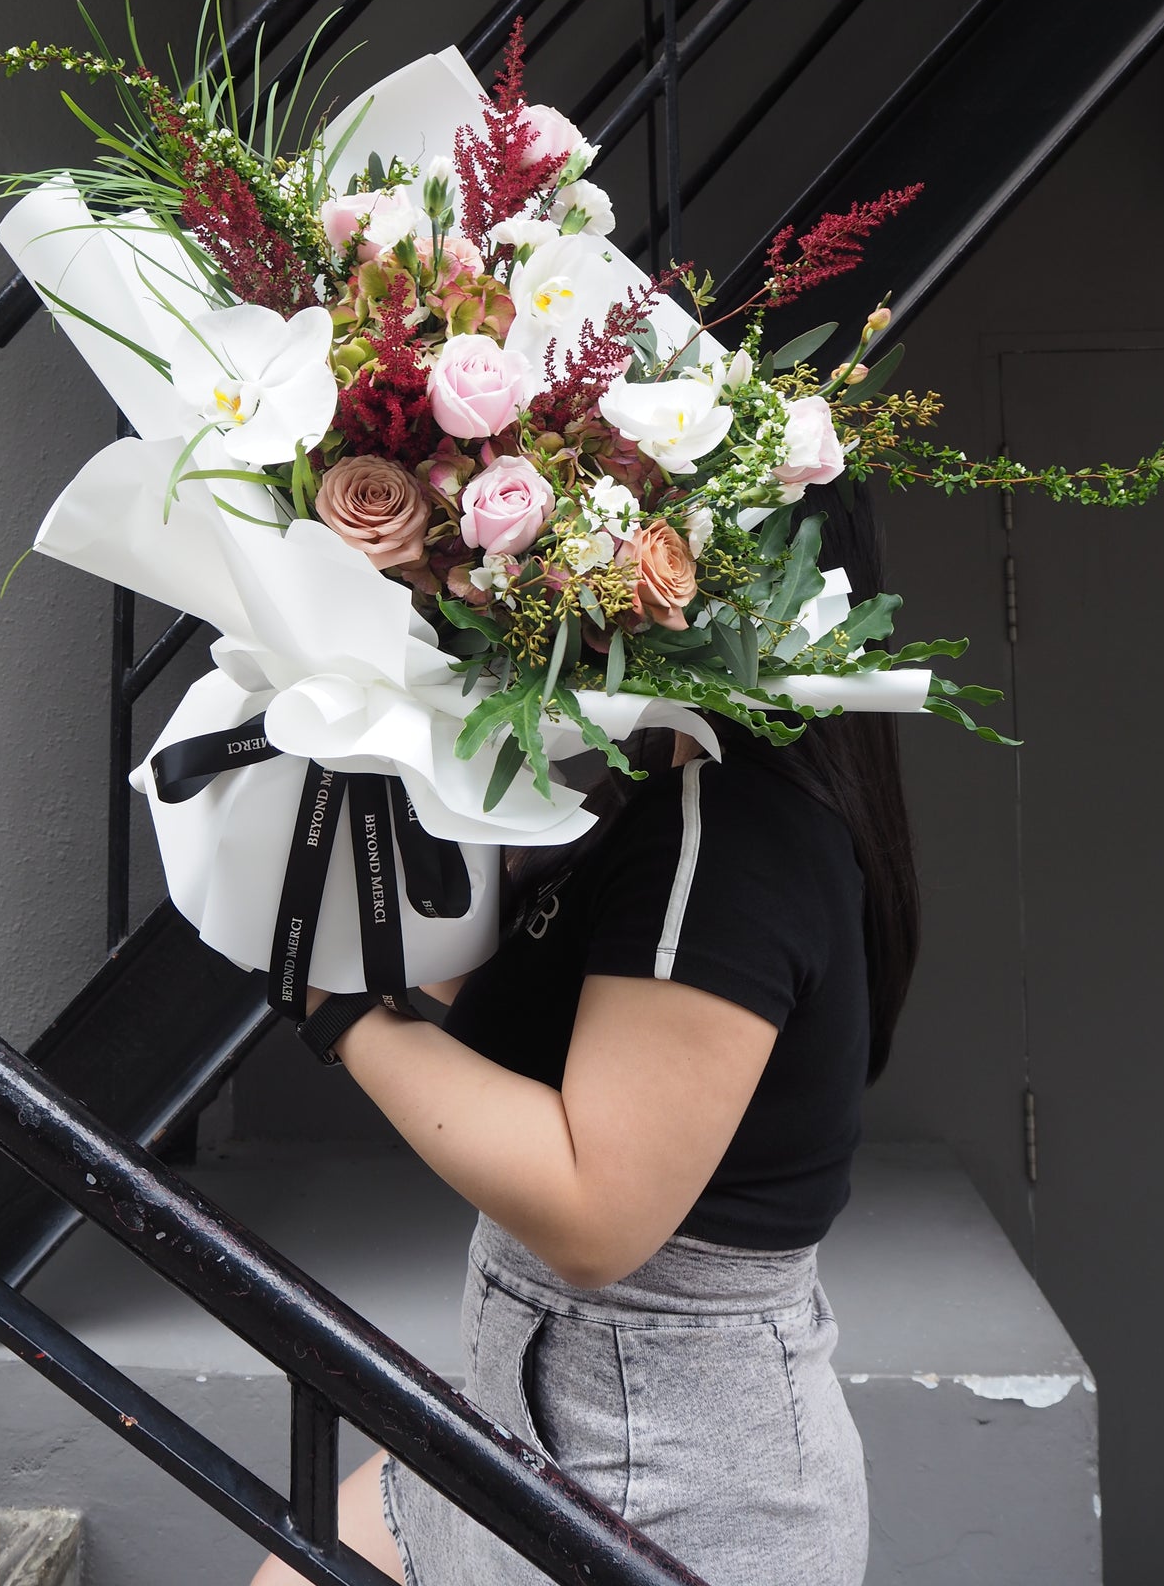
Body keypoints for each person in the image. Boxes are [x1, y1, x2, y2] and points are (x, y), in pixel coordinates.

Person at [252, 488, 918, 1586]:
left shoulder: (733, 831)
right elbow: (557, 1033)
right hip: (525, 1407)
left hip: (671, 1477)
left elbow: (592, 1208)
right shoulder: (660, 785)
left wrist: (331, 1005)